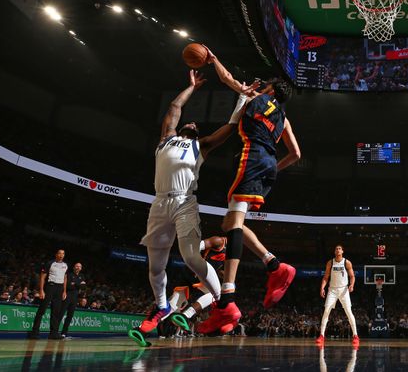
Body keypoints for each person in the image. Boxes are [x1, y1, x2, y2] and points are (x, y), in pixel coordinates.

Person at [127, 70, 253, 347]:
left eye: (196, 123)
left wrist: (242, 98)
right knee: (155, 266)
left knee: (191, 258)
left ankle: (222, 302)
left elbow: (231, 126)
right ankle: (162, 306)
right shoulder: (166, 139)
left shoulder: (202, 145)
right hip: (160, 203)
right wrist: (192, 87)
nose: (193, 122)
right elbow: (174, 108)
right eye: (190, 121)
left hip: (185, 201)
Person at [199, 53, 301, 333]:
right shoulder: (284, 118)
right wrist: (274, 169)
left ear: (269, 89)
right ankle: (273, 265)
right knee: (232, 224)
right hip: (267, 165)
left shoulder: (257, 96)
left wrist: (212, 58)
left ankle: (228, 300)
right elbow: (296, 154)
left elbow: (226, 78)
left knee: (233, 225)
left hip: (252, 158)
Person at [316, 245, 359, 346]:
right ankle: (321, 335)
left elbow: (352, 276)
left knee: (348, 311)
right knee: (326, 310)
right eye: (336, 249)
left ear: (342, 251)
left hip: (344, 289)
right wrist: (322, 287)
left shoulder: (346, 262)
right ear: (334, 251)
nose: (338, 250)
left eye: (339, 249)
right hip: (332, 290)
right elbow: (326, 277)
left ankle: (355, 336)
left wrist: (352, 285)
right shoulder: (330, 262)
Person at [28, 249, 68, 340]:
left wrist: (64, 291)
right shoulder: (50, 263)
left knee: (56, 312)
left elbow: (65, 278)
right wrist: (41, 290)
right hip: (50, 287)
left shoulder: (65, 265)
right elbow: (42, 277)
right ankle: (34, 332)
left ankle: (53, 333)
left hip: (59, 289)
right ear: (56, 254)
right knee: (42, 310)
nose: (61, 255)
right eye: (60, 253)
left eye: (63, 254)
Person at [59, 262, 86, 339]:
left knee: (70, 316)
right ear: (74, 267)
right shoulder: (69, 274)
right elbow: (68, 286)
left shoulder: (82, 276)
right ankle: (54, 331)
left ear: (81, 268)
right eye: (76, 266)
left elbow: (84, 287)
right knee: (61, 313)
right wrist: (79, 284)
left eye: (80, 266)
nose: (78, 267)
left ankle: (64, 333)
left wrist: (75, 284)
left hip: (75, 298)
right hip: (67, 296)